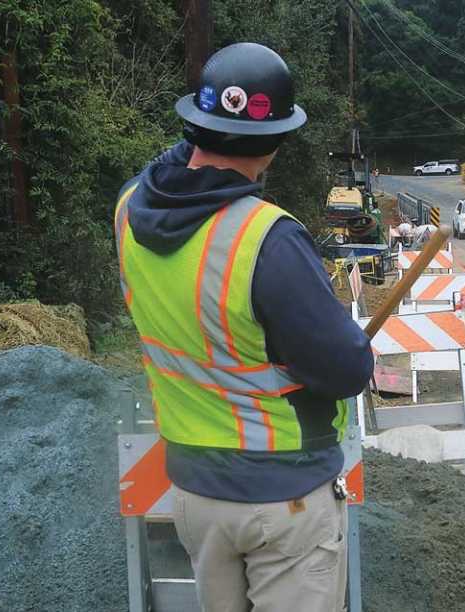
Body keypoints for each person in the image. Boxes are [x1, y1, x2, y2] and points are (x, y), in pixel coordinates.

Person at [113, 43, 373, 612]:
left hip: (195, 493)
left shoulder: (132, 207)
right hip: (284, 500)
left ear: (195, 126)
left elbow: (172, 165)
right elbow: (346, 370)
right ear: (277, 142)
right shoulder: (267, 239)